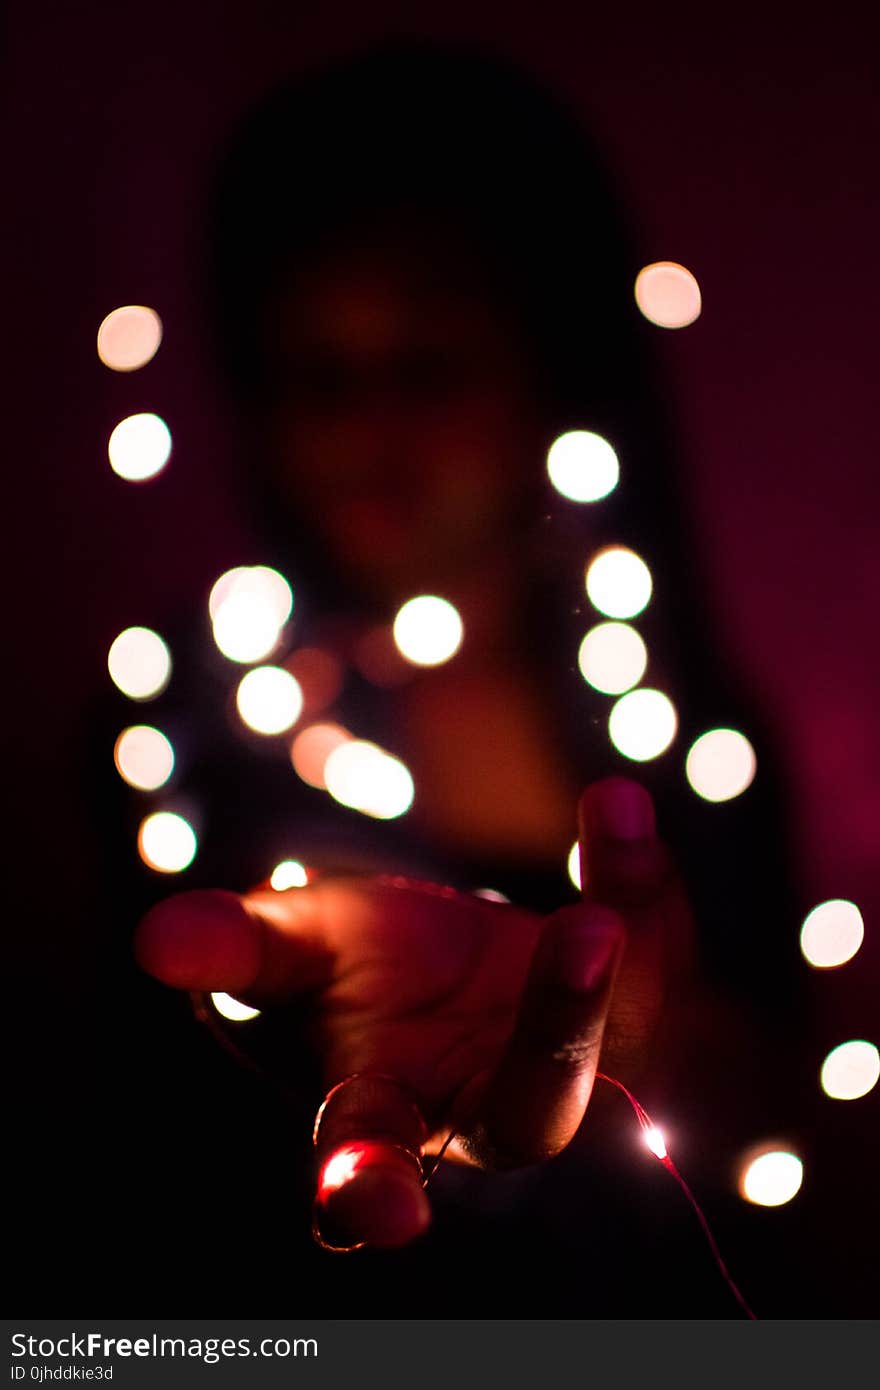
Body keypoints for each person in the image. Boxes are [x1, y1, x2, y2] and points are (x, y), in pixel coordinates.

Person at [123, 40, 807, 1314]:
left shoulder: (687, 736)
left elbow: (787, 1142)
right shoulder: (177, 742)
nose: (367, 429)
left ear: (549, 374)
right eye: (317, 375)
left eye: (428, 365)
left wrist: (661, 1040)